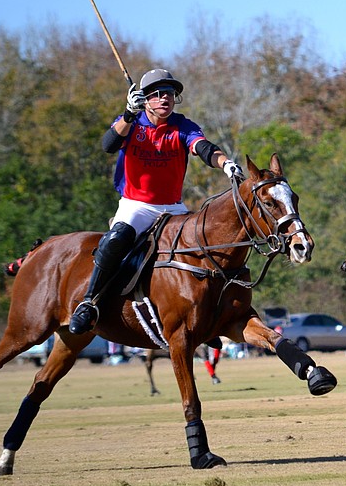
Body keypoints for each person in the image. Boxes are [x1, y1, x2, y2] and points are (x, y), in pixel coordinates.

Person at [69, 69, 243, 334]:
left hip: (173, 208)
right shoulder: (132, 123)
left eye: (170, 94)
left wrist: (226, 164)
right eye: (159, 94)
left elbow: (204, 148)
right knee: (116, 240)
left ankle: (209, 316)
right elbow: (108, 144)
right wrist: (128, 113)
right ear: (145, 98)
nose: (165, 99)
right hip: (136, 204)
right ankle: (89, 302)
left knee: (205, 249)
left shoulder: (183, 126)